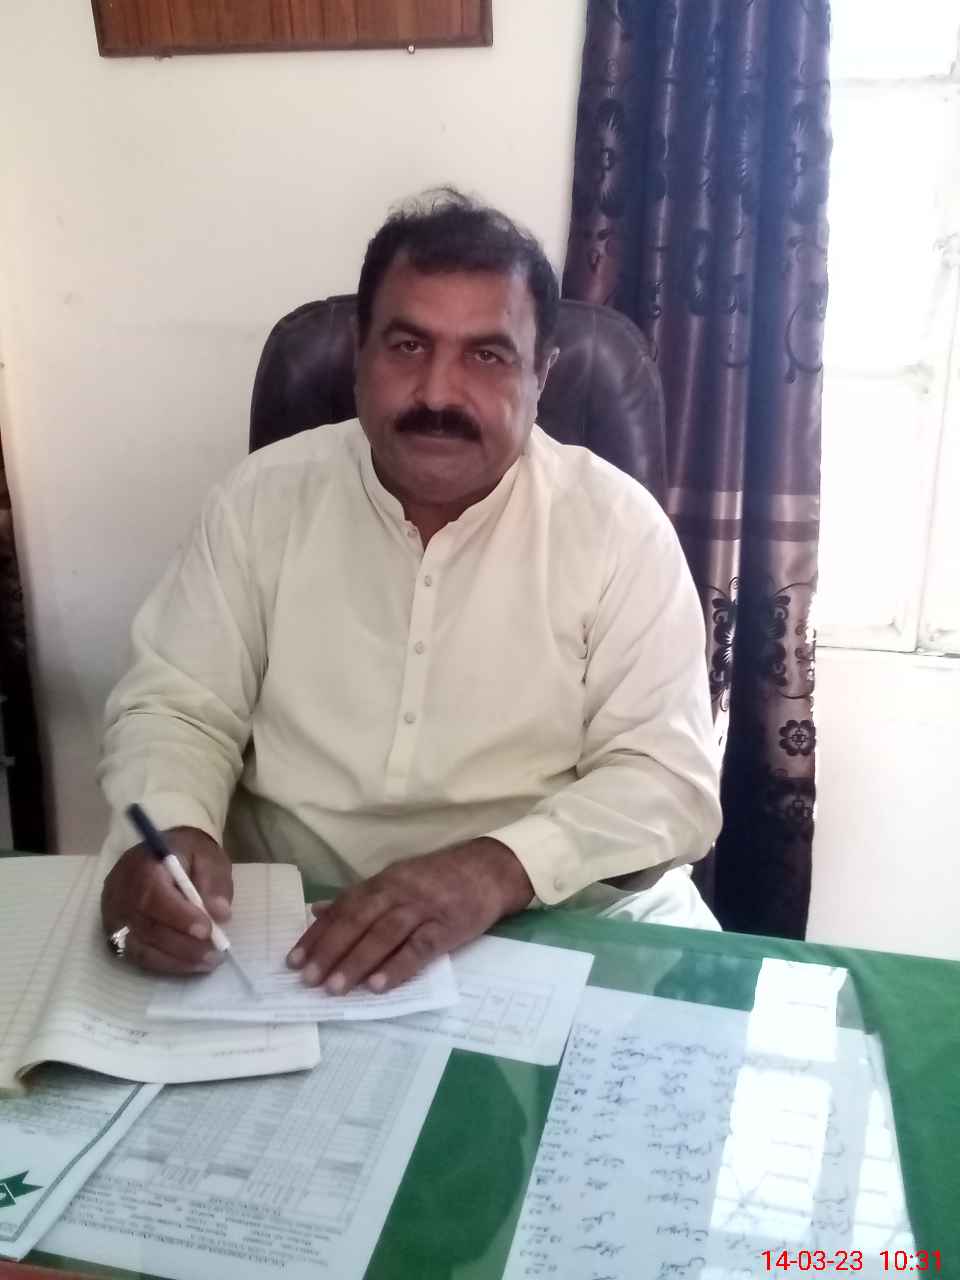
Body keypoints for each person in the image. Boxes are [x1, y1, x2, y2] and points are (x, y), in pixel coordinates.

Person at [99, 189, 722, 994]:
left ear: (542, 374)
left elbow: (667, 780)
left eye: (487, 356)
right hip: (290, 938)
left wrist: (497, 868)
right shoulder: (261, 501)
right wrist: (171, 830)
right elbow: (177, 709)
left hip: (552, 923)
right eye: (407, 346)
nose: (437, 394)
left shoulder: (617, 527)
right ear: (359, 354)